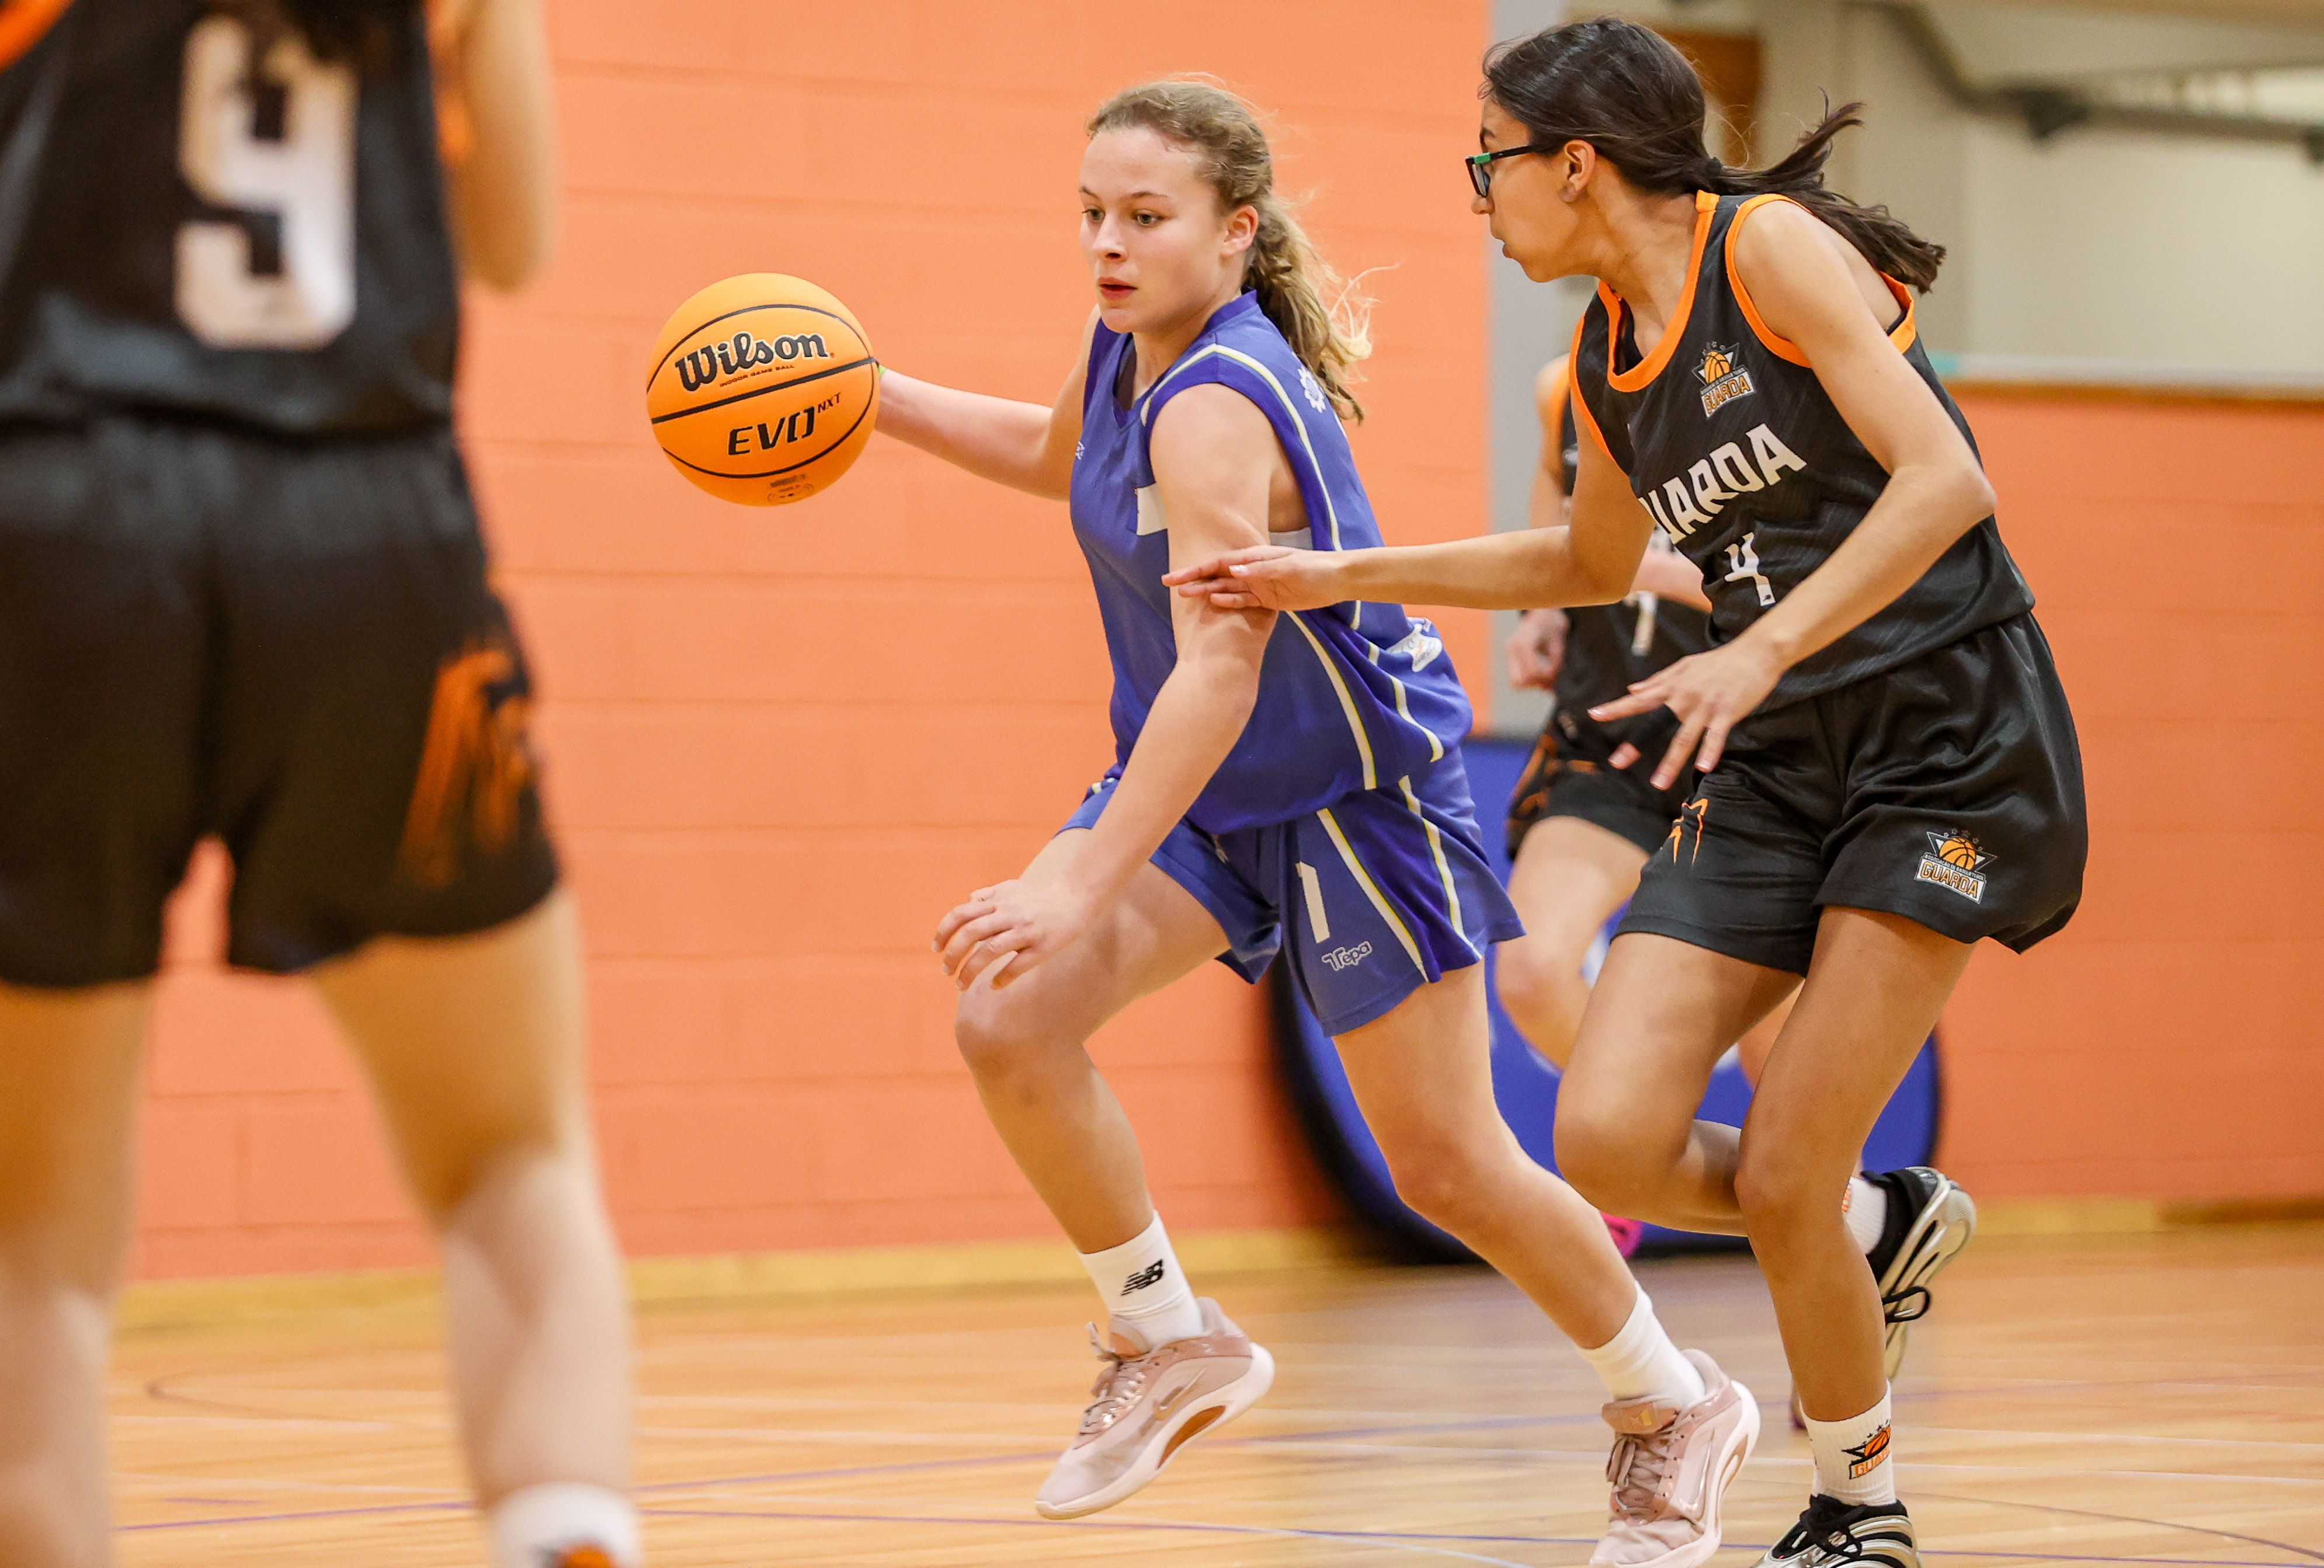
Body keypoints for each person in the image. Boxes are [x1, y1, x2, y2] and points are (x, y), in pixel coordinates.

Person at [1170, 22, 2087, 1567]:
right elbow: (1587, 562)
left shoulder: (1766, 250)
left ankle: (1856, 1500)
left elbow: (1948, 480)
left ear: (1576, 163)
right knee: (1603, 1132)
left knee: (1784, 1163)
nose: (1478, 194)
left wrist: (1764, 643)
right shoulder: (1604, 350)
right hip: (1780, 760)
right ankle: (1876, 1223)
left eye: (1489, 161)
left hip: (1945, 738)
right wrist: (1341, 571)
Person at [878, 78, 1760, 1564]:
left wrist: (1080, 879)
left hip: (1354, 795)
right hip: (1216, 786)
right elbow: (1053, 454)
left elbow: (1220, 671)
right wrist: (873, 396)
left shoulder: (1216, 400)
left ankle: (1673, 1398)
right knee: (1010, 1016)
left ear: (1235, 233)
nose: (1107, 243)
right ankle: (1166, 1332)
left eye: (1144, 216)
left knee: (1449, 1164)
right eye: (1091, 213)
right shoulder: (1126, 349)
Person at [0, 3, 640, 1566]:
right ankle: (563, 1527)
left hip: (51, 527)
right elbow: (515, 239)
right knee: (510, 1155)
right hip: (365, 524)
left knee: (20, 1238)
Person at [1493, 354, 1792, 1119]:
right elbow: (1555, 486)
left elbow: (1813, 582)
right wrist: (1544, 609)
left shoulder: (1770, 386)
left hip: (1752, 746)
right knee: (1531, 969)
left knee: (1777, 1034)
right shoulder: (1565, 384)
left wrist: (1637, 569)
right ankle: (1651, 1140)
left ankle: (1822, 1185)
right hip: (1613, 737)